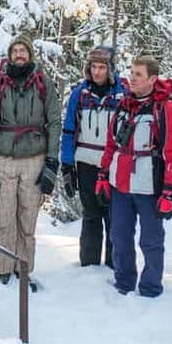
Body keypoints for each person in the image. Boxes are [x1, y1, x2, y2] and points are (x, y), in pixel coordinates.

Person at [97, 56, 172, 297]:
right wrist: (103, 174)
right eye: (132, 72)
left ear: (152, 79)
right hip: (120, 185)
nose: (132, 78)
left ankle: (150, 288)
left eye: (138, 74)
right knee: (119, 237)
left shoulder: (165, 108)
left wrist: (169, 190)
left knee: (151, 241)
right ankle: (123, 283)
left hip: (149, 186)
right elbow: (110, 143)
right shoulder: (124, 106)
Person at [0, 35, 61, 290]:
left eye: (23, 50)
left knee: (28, 220)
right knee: (4, 218)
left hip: (34, 160)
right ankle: (2, 270)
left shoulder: (44, 84)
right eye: (14, 50)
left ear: (30, 54)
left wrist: (51, 164)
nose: (19, 54)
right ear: (9, 55)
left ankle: (23, 269)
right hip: (2, 159)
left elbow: (55, 123)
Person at [60, 46, 128, 268]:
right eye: (93, 67)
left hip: (113, 165)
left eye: (102, 67)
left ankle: (112, 265)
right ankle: (88, 267)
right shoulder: (80, 94)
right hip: (86, 163)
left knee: (114, 218)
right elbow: (69, 129)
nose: (97, 72)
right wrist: (67, 164)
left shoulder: (122, 95)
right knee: (91, 216)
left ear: (110, 69)